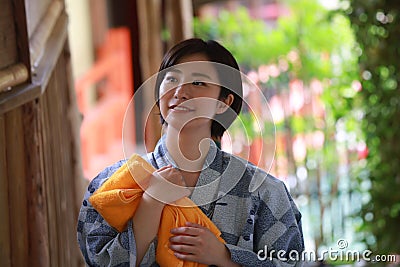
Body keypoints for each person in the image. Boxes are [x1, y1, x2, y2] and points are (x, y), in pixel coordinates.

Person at [77, 38, 304, 267]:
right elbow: (95, 261)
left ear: (223, 103)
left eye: (198, 82)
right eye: (172, 79)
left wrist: (225, 257)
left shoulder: (265, 191)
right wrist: (150, 203)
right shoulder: (110, 185)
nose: (180, 91)